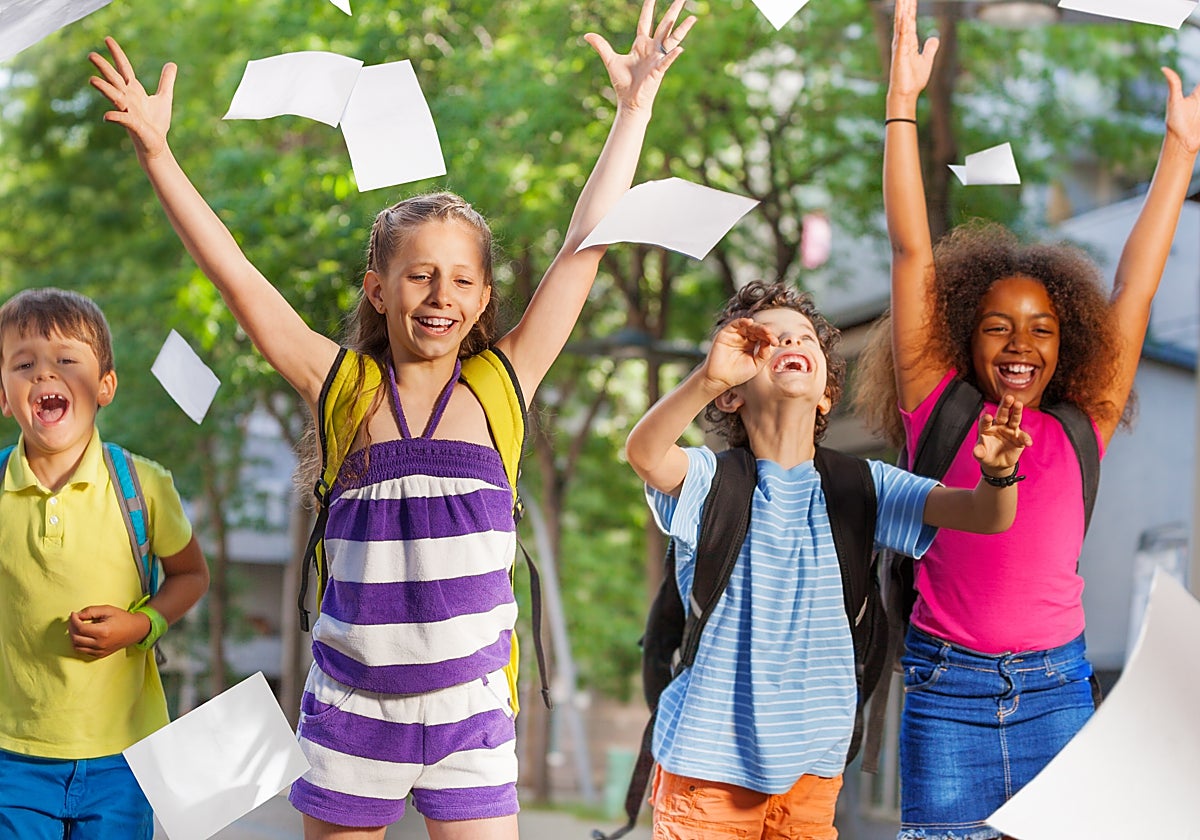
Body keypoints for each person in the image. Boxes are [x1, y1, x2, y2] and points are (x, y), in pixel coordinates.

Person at [89, 1, 696, 837]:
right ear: (379, 288)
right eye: (417, 276)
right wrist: (159, 153)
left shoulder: (501, 383)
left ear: (484, 298)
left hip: (472, 719)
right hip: (349, 710)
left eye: (460, 279)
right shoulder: (342, 387)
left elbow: (585, 246)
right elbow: (236, 277)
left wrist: (633, 109)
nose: (440, 294)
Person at [850, 0, 1200, 837]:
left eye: (1042, 328)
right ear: (962, 335)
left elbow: (1136, 287)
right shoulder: (935, 400)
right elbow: (910, 251)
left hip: (1057, 692)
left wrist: (1181, 152)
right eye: (998, 325)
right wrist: (901, 109)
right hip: (947, 692)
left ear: (1066, 341)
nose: (1020, 342)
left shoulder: (1086, 422)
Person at [624, 280, 1032, 840]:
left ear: (825, 394)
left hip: (812, 775)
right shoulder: (709, 480)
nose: (791, 341)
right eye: (769, 341)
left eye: (804, 337)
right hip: (706, 770)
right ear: (733, 393)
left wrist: (999, 473)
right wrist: (707, 378)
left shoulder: (865, 486)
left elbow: (988, 514)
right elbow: (644, 452)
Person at [0, 287, 209, 839]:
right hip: (11, 760)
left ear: (105, 387)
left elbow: (191, 575)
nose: (45, 376)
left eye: (67, 360)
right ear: (4, 394)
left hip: (125, 759)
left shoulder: (145, 484)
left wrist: (141, 624)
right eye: (24, 365)